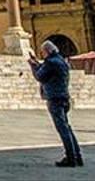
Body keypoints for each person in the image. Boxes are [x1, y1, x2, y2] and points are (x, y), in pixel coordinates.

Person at [30, 40, 83, 168]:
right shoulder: (61, 61)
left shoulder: (50, 63)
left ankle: (70, 158)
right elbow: (47, 72)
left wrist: (33, 65)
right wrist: (38, 63)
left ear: (47, 51)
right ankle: (77, 156)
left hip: (55, 98)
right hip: (64, 96)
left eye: (42, 52)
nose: (42, 55)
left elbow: (40, 76)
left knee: (63, 129)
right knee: (67, 127)